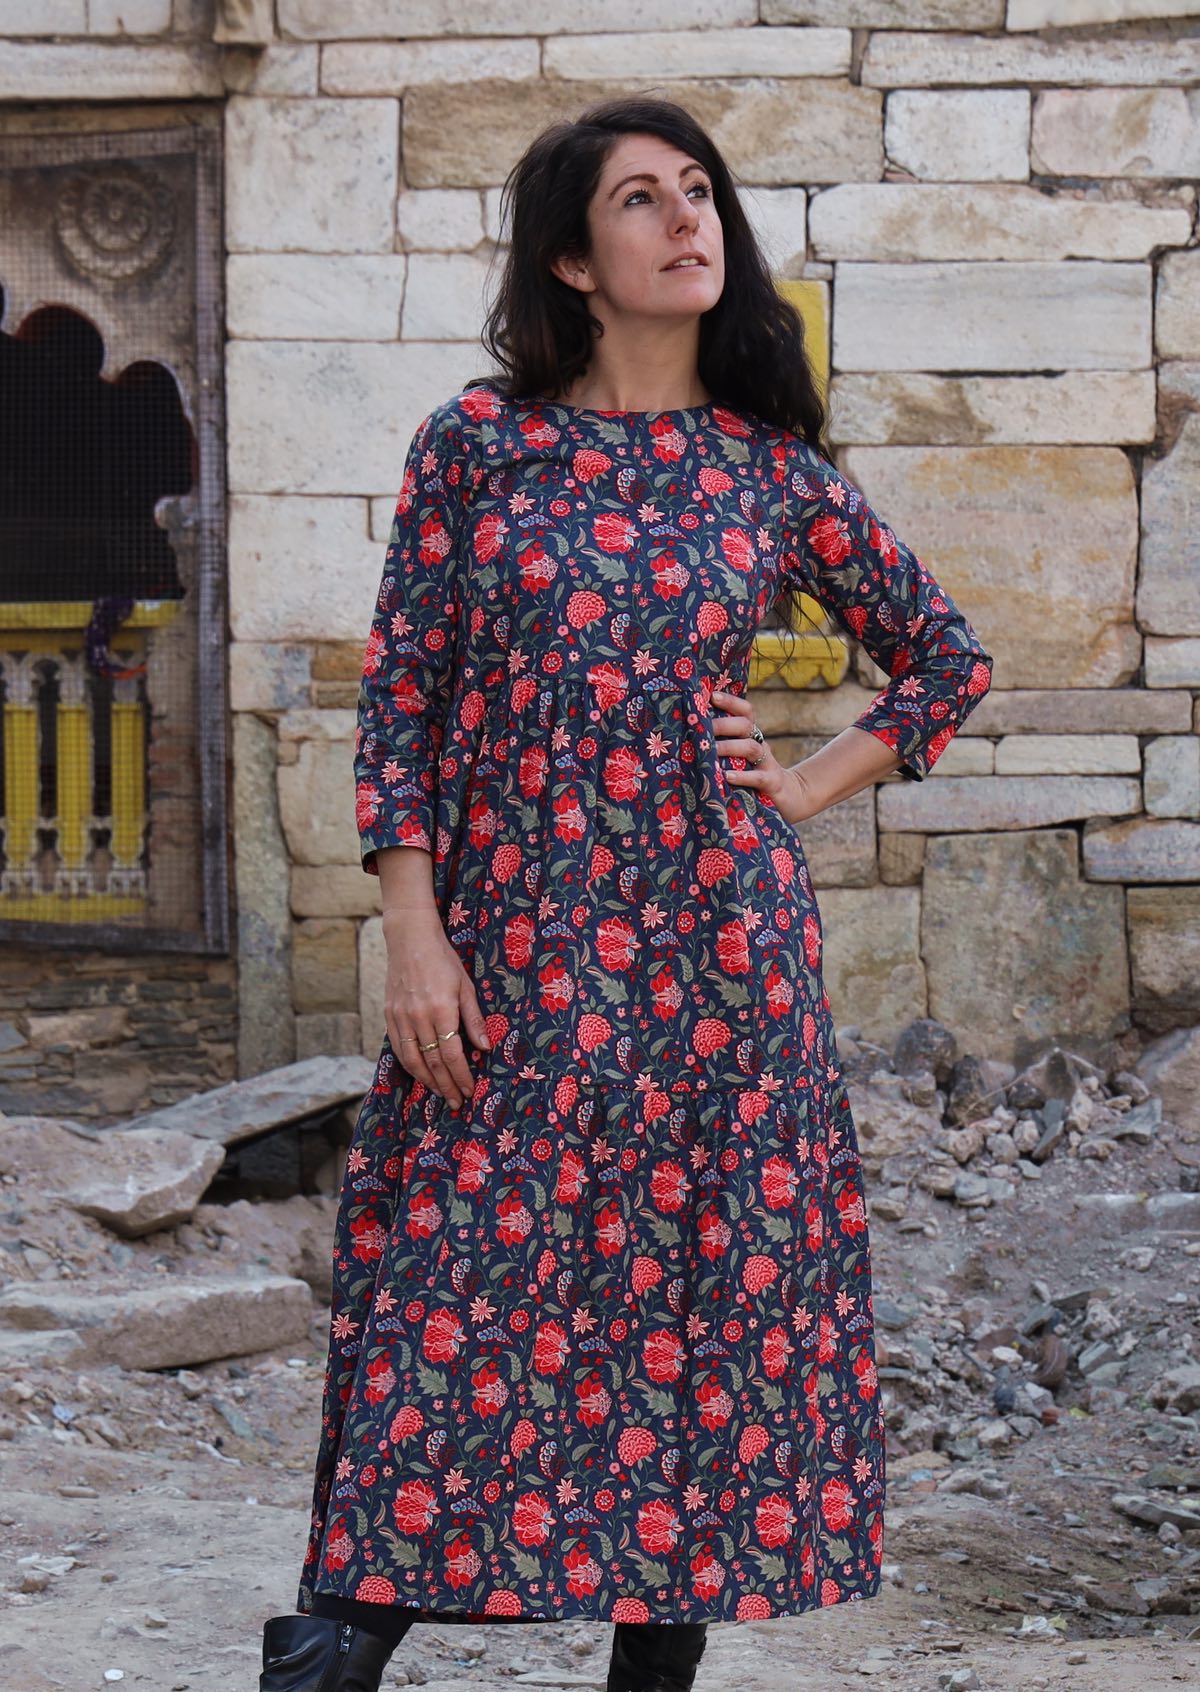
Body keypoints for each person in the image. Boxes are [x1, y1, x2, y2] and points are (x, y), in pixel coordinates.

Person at [258, 94, 994, 1692]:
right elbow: (405, 703)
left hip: (720, 972)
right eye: (643, 201)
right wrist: (412, 932)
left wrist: (798, 787)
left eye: (701, 193)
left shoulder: (770, 469)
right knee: (446, 1312)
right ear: (574, 263)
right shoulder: (479, 443)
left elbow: (947, 660)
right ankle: (329, 1654)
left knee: (700, 1337)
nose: (687, 221)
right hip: (510, 963)